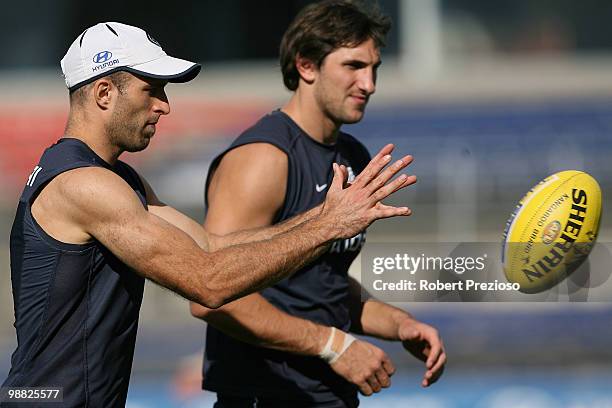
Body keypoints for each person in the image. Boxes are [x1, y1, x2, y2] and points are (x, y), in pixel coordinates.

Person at [1, 22, 414, 407]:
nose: (165, 106)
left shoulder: (118, 178)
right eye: (153, 89)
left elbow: (210, 245)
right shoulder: (83, 184)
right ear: (104, 93)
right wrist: (328, 227)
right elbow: (208, 282)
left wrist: (327, 214)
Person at [190, 2, 447, 407]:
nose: (369, 84)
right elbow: (209, 294)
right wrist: (334, 345)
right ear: (306, 66)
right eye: (353, 66)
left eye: (374, 68)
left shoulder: (352, 156)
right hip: (264, 395)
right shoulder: (264, 157)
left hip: (329, 395)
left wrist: (400, 325)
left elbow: (321, 285)